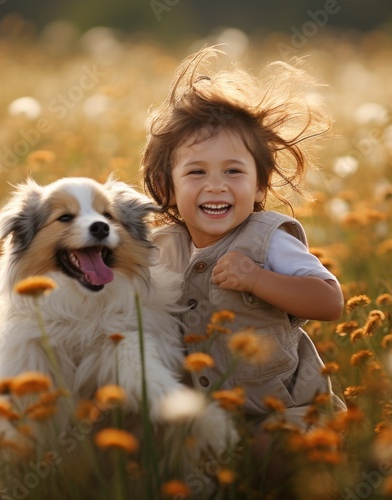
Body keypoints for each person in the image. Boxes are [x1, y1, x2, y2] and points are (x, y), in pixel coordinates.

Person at [140, 46, 346, 429]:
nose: (216, 186)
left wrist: (257, 279)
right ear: (167, 188)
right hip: (204, 417)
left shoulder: (268, 239)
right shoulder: (161, 249)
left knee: (275, 453)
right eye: (197, 173)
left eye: (233, 172)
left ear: (259, 187)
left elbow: (329, 302)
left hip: (287, 411)